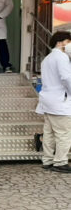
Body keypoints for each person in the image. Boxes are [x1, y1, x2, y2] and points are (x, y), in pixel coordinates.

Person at [35, 31, 71, 173]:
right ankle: (60, 162)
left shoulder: (47, 59)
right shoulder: (62, 58)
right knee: (63, 133)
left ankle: (48, 160)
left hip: (48, 101)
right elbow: (66, 78)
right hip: (60, 102)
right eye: (68, 41)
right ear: (61, 42)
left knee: (49, 133)